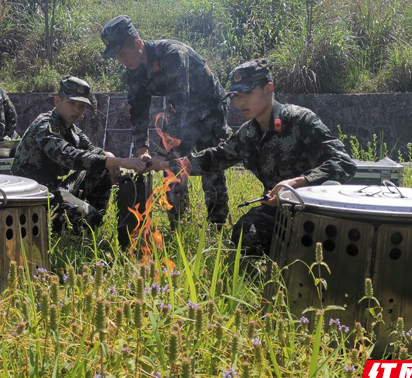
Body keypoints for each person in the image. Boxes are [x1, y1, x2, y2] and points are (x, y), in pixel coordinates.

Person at [150, 59, 356, 254]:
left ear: (269, 89)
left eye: (248, 93)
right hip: (278, 211)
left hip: (314, 210)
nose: (241, 102)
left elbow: (343, 162)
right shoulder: (248, 133)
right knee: (244, 234)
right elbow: (215, 157)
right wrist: (166, 165)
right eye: (236, 97)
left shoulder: (300, 120)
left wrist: (296, 183)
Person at [100, 15, 231, 227]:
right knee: (172, 167)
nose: (122, 61)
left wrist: (161, 151)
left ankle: (217, 225)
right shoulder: (133, 71)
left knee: (211, 165)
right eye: (117, 57)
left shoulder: (172, 55)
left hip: (209, 108)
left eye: (123, 54)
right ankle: (178, 226)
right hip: (182, 110)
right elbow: (138, 109)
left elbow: (179, 106)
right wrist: (142, 148)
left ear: (138, 43)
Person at [11, 76, 147, 234]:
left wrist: (109, 156)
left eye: (81, 106)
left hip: (52, 188)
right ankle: (74, 229)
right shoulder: (46, 125)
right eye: (71, 103)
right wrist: (120, 161)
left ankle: (91, 219)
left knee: (102, 169)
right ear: (57, 101)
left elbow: (91, 151)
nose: (76, 110)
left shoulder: (71, 130)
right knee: (89, 214)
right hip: (33, 194)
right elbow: (68, 156)